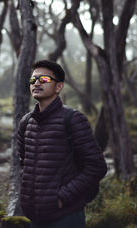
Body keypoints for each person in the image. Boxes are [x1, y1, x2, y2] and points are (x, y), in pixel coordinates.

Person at [17, 60, 107, 228]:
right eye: (33, 80)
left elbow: (97, 166)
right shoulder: (26, 122)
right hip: (34, 216)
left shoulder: (72, 119)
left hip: (65, 217)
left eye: (43, 79)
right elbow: (24, 162)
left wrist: (62, 198)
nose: (36, 83)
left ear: (58, 87)